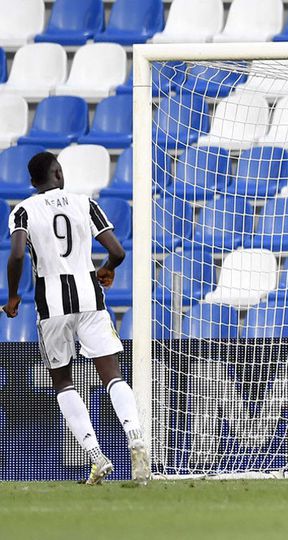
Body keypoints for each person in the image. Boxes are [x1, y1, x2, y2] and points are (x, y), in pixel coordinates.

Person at [2, 152, 149, 485]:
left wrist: (13, 297)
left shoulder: (23, 210)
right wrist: (108, 269)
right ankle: (136, 439)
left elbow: (15, 254)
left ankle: (97, 458)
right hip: (89, 296)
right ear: (58, 173)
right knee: (112, 375)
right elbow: (118, 250)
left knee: (63, 382)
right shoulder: (85, 203)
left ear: (32, 181)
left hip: (51, 304)